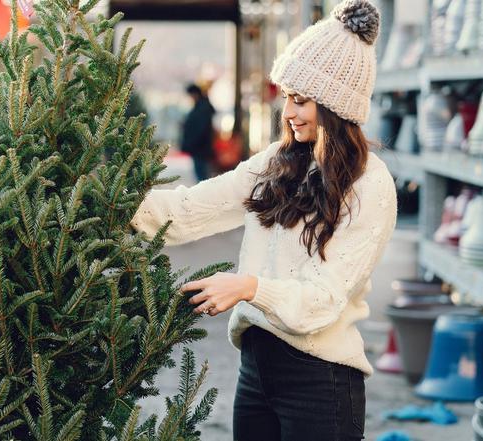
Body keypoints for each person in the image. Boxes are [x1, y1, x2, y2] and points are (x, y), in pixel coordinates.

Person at [130, 1, 393, 439]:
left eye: (302, 100)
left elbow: (324, 299)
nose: (287, 112)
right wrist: (105, 200)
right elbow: (189, 210)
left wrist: (248, 287)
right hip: (256, 370)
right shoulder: (279, 162)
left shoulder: (369, 185)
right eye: (286, 96)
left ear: (335, 105)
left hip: (321, 381)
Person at [180, 83, 216, 182]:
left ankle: (204, 196)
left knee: (202, 176)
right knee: (202, 175)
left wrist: (192, 142)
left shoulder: (202, 109)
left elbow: (200, 129)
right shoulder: (201, 107)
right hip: (200, 148)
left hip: (200, 149)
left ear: (195, 94)